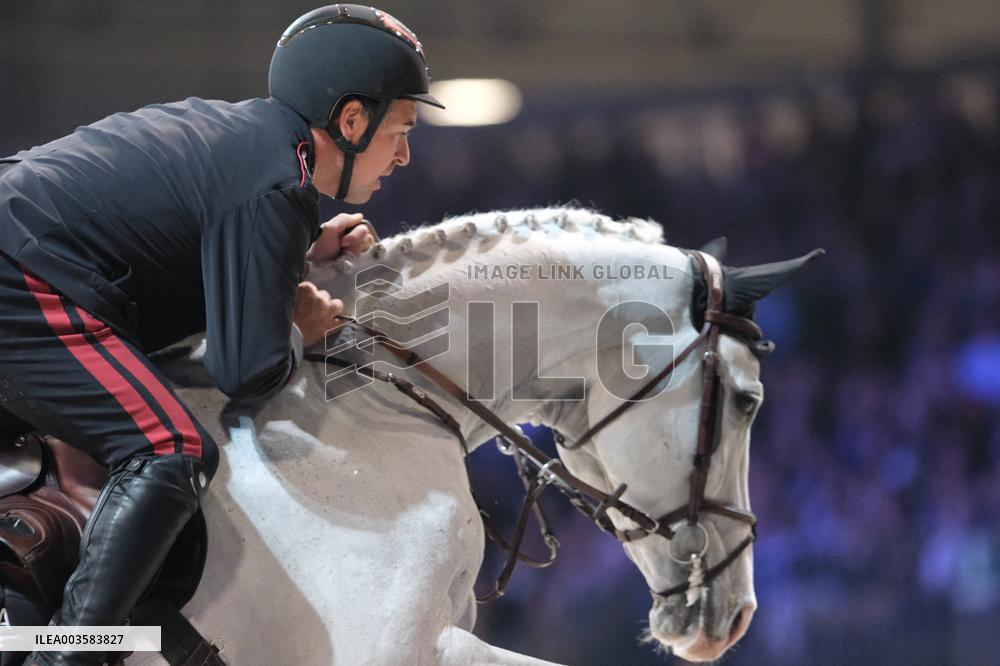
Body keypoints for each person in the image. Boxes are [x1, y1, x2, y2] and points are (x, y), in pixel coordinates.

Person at [0, 4, 443, 664]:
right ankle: (68, 656)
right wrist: (301, 326)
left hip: (23, 259)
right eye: (400, 130)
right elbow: (246, 370)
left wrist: (294, 252)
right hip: (20, 275)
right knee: (169, 448)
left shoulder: (256, 147)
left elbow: (181, 246)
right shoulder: (275, 182)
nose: (405, 155)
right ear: (351, 121)